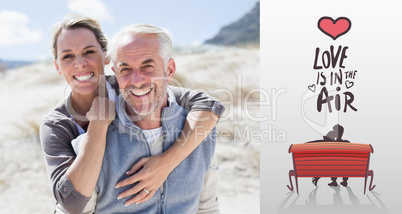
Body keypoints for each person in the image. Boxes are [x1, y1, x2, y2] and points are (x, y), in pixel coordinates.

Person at [40, 14, 224, 214]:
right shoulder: (62, 129)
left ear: (105, 56)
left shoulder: (192, 127)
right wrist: (99, 126)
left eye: (89, 51)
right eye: (67, 56)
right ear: (57, 65)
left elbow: (208, 104)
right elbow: (71, 205)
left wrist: (167, 161)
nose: (79, 63)